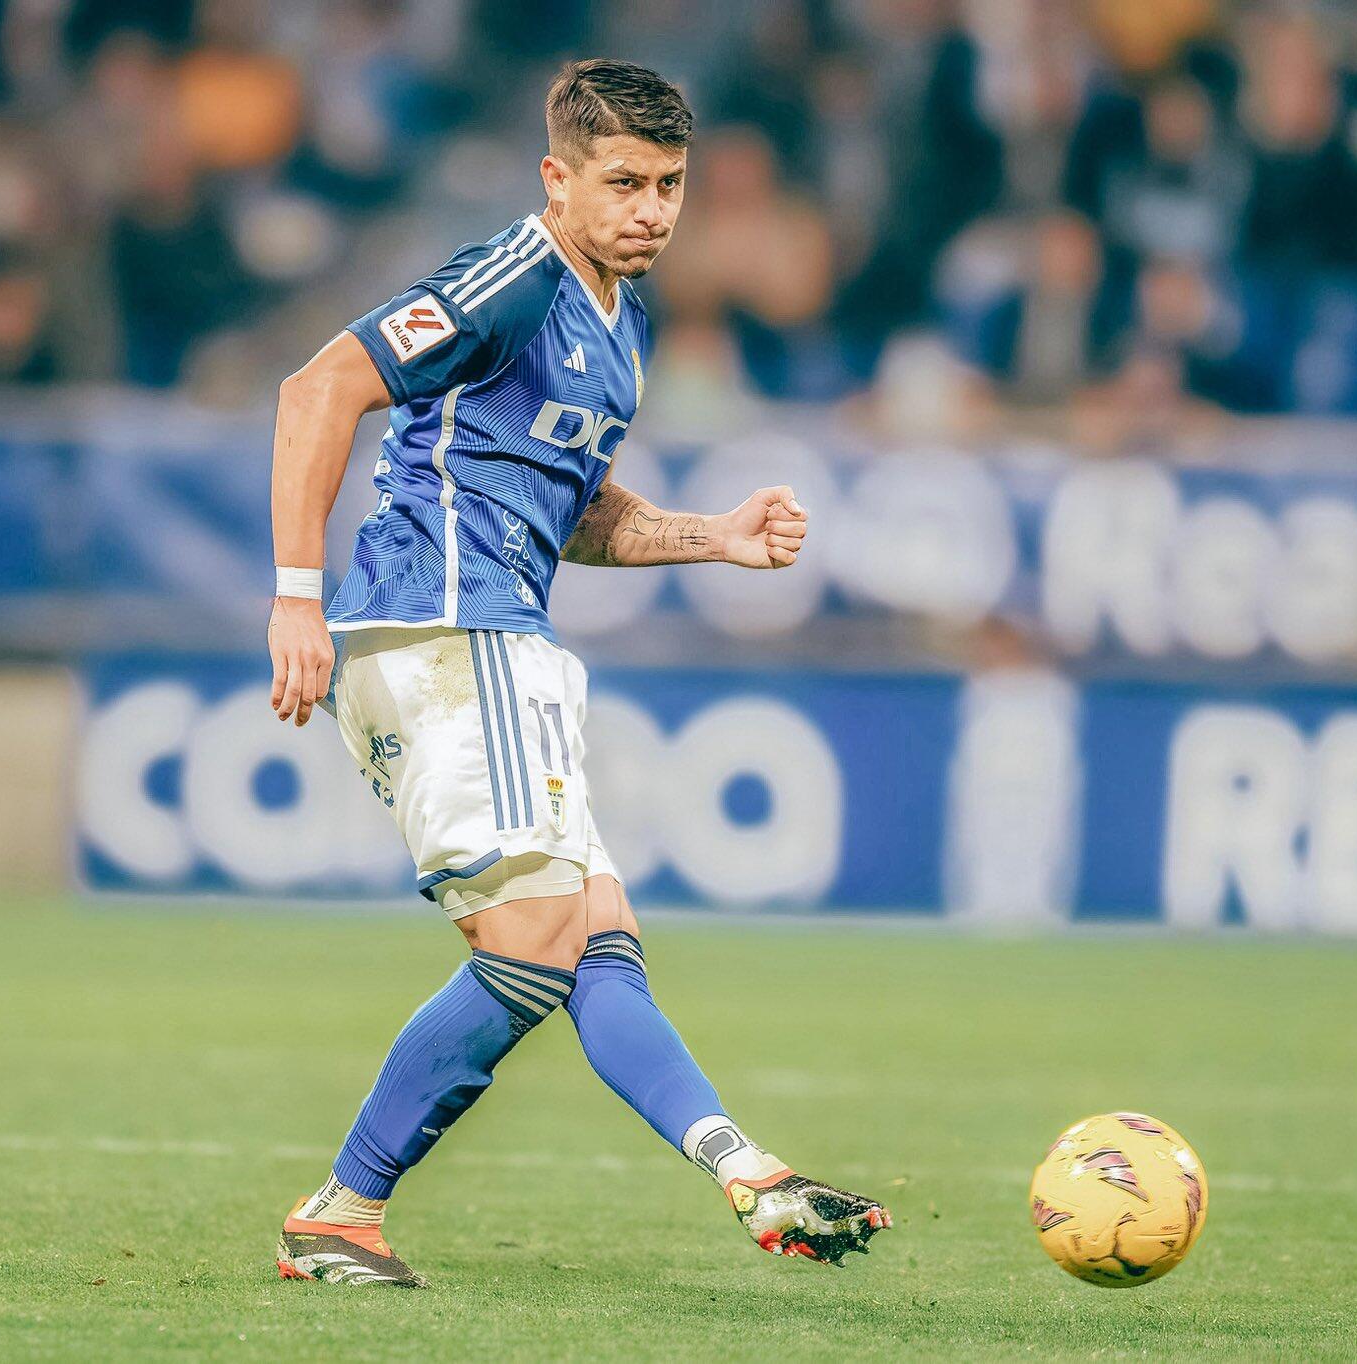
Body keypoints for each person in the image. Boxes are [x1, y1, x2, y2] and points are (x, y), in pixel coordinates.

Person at [264, 58, 891, 1288]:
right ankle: (338, 1211)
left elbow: (574, 509)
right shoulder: (514, 275)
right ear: (557, 179)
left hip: (507, 637)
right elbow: (321, 384)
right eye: (621, 183)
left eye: (667, 185)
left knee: (599, 939)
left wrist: (704, 533)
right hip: (444, 630)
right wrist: (295, 599)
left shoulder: (626, 319)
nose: (650, 208)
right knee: (538, 938)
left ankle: (746, 1169)